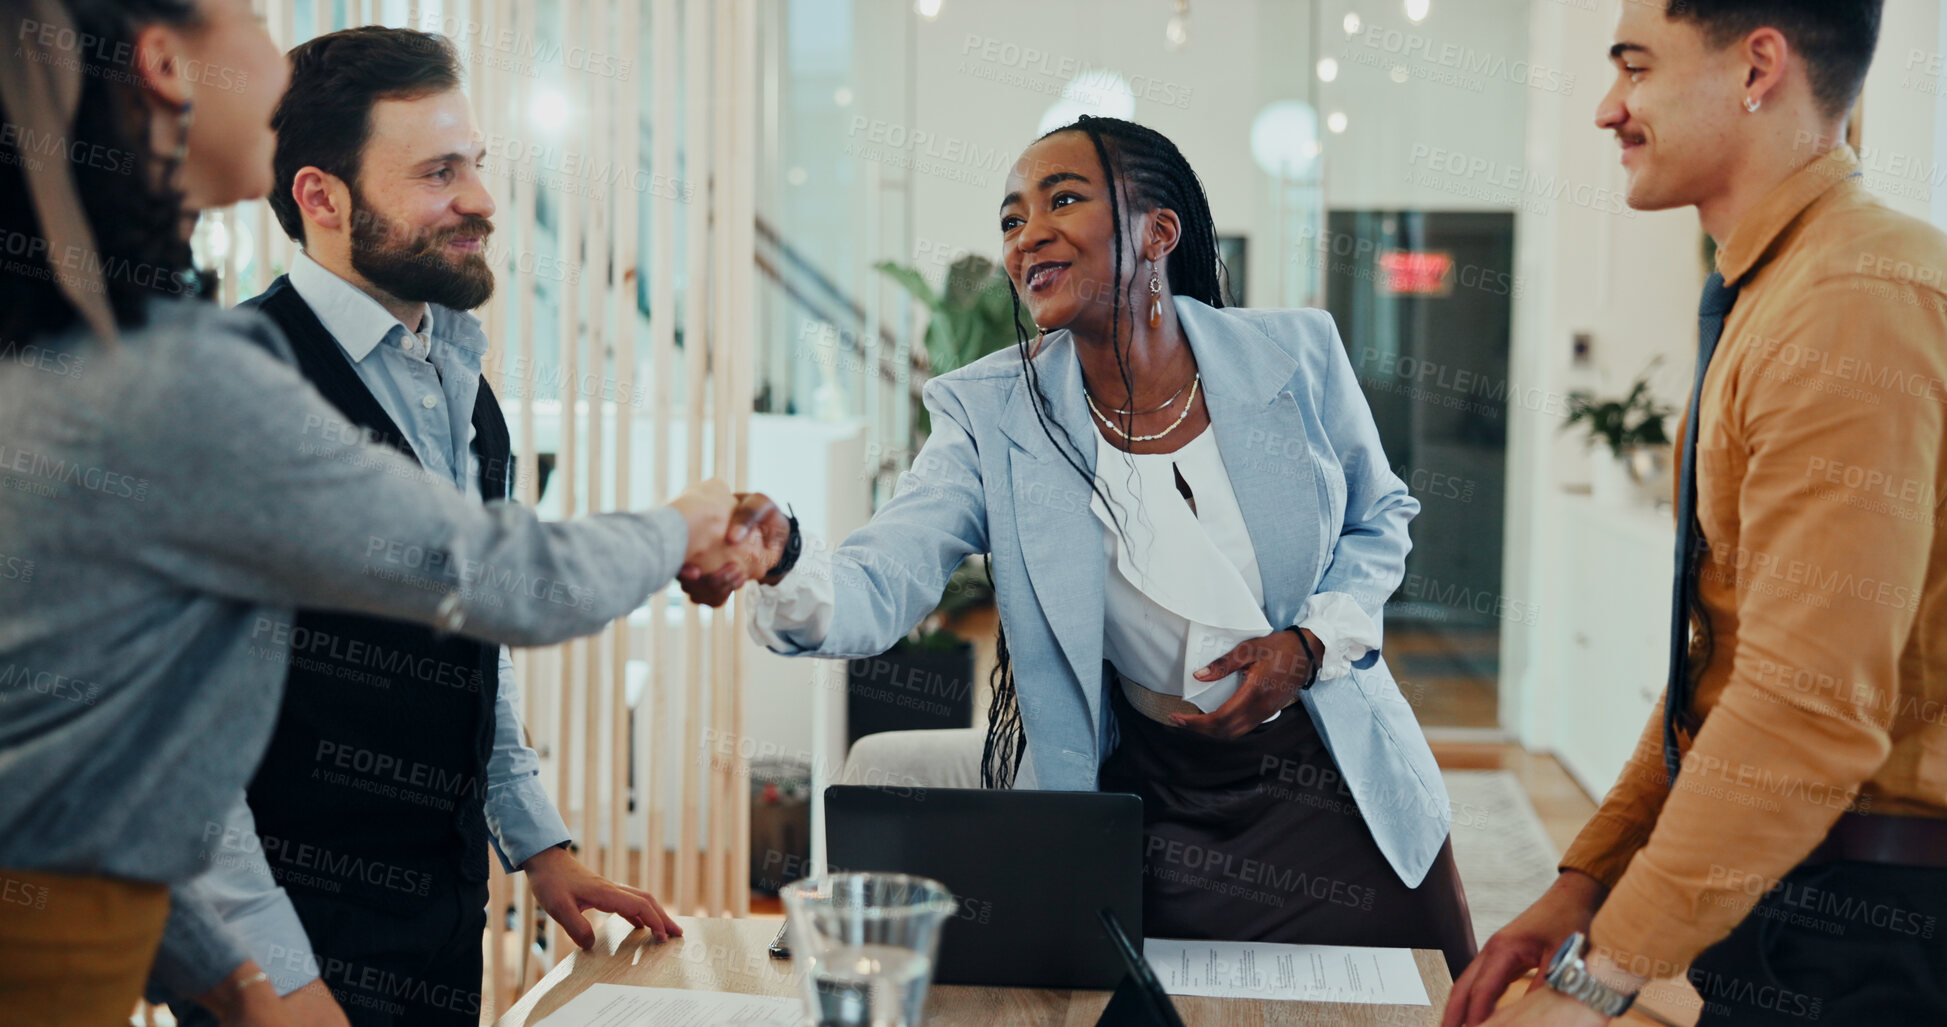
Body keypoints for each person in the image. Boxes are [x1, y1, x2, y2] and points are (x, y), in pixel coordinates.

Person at [0, 2, 740, 1023]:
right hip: (289, 934)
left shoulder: (451, 384)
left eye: (474, 161)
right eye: (441, 171)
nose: (482, 198)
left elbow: (131, 741)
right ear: (169, 67)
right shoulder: (199, 380)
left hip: (417, 918)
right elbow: (492, 578)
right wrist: (270, 983)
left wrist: (537, 842)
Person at [687, 116, 1477, 975]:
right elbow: (887, 575)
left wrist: (1310, 643)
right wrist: (786, 558)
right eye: (1011, 219)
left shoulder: (1292, 354)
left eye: (1062, 199)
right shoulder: (989, 414)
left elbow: (1379, 516)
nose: (1028, 235)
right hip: (1152, 807)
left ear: (1157, 231)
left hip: (1336, 787)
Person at [1444, 2, 1947, 1025]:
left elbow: (1804, 707)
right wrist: (1587, 882)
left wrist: (1599, 979)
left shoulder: (1850, 298)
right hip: (1805, 900)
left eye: (1635, 68)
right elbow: (1722, 669)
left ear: (1760, 66)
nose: (1606, 109)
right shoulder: (1785, 286)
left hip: (1879, 929)